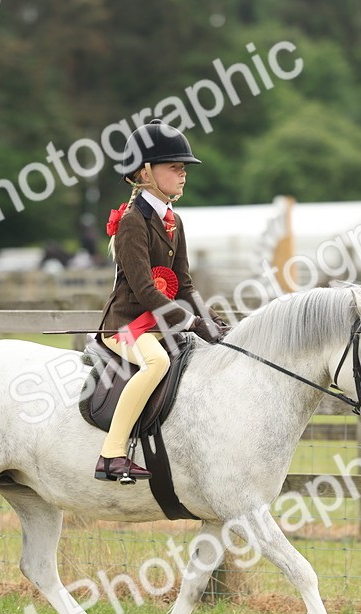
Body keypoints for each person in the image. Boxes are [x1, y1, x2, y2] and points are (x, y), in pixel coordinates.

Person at [93, 119, 228, 482]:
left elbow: (183, 285)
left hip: (156, 324)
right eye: (175, 167)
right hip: (126, 326)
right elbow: (144, 290)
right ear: (146, 172)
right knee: (156, 365)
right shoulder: (132, 222)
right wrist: (190, 322)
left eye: (184, 169)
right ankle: (112, 454)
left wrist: (213, 319)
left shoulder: (174, 221)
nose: (183, 175)